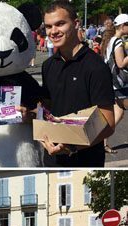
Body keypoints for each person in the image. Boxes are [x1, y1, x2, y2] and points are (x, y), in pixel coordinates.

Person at [32, 1, 115, 167]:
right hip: (52, 159)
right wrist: (30, 114)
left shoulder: (96, 66)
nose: (53, 31)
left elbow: (108, 124)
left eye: (60, 24)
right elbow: (46, 108)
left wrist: (72, 147)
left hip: (85, 160)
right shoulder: (48, 65)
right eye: (48, 26)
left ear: (76, 24)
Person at [102, 13, 128, 154]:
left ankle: (103, 142)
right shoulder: (117, 42)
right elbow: (120, 63)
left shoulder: (111, 40)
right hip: (120, 84)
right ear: (123, 26)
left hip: (113, 83)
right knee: (116, 115)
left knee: (117, 115)